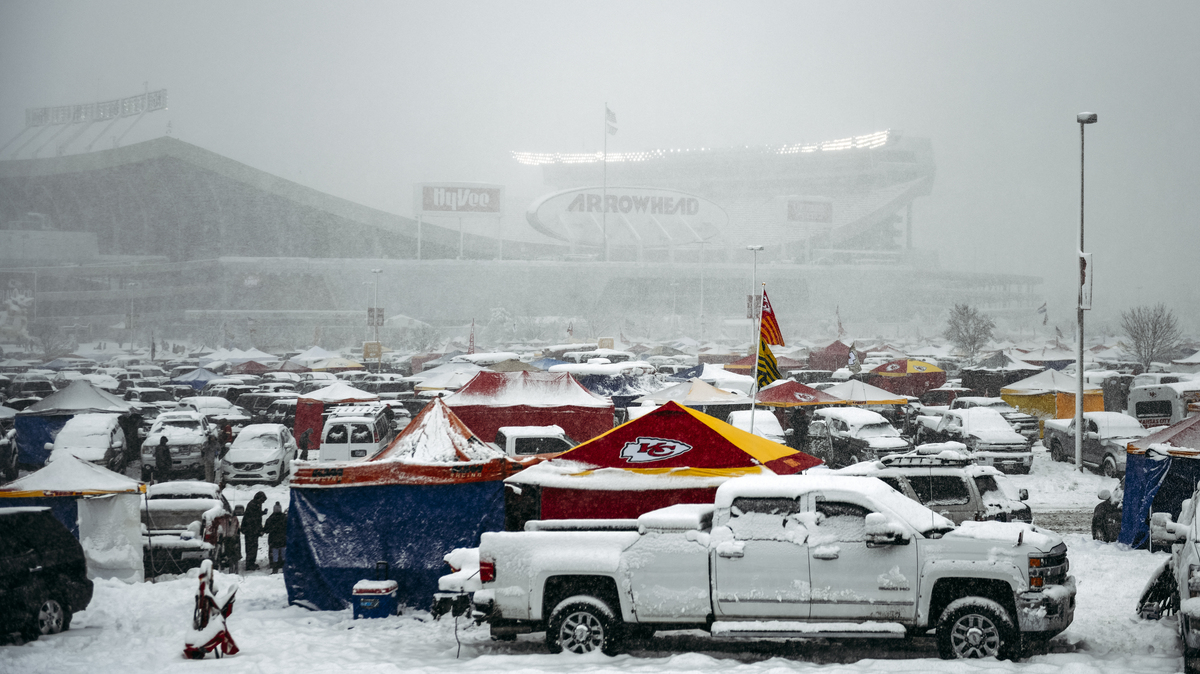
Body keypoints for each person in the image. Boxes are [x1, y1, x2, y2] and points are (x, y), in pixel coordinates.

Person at [183, 559, 239, 659]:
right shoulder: (204, 594)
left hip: (208, 622)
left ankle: (200, 647)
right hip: (207, 625)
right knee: (218, 626)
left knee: (217, 623)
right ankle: (200, 647)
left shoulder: (203, 593)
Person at [242, 492, 266, 571]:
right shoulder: (253, 505)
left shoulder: (255, 504)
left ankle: (251, 562)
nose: (262, 502)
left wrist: (262, 513)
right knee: (251, 547)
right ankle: (249, 564)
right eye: (262, 500)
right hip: (250, 530)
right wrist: (259, 530)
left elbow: (256, 516)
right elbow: (254, 519)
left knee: (253, 547)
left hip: (252, 530)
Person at [263, 502, 288, 574]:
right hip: (283, 539)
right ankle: (284, 568)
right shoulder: (285, 518)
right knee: (283, 554)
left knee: (275, 554)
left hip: (273, 540)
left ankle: (275, 568)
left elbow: (266, 530)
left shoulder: (270, 519)